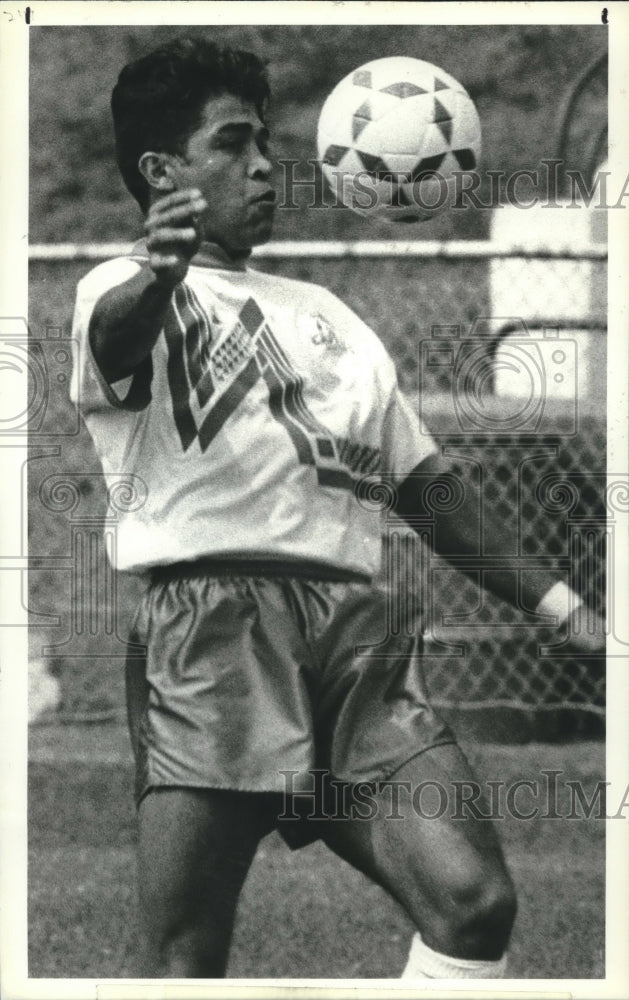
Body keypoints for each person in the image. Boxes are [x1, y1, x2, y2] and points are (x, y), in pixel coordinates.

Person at [70, 36, 602, 979]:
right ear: (163, 171)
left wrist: (561, 606)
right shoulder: (123, 292)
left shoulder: (334, 319)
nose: (265, 164)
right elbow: (117, 347)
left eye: (265, 142)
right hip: (215, 631)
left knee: (474, 903)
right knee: (185, 954)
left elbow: (429, 490)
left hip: (355, 637)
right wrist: (159, 271)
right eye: (232, 143)